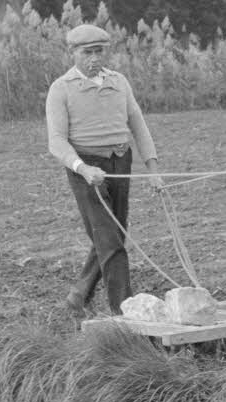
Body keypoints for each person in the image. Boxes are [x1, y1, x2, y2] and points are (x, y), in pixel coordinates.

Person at [46, 23, 164, 316]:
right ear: (73, 53)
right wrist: (83, 169)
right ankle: (125, 310)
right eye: (87, 52)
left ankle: (78, 296)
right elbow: (57, 142)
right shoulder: (61, 89)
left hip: (120, 163)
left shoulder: (119, 82)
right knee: (110, 240)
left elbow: (137, 123)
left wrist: (152, 169)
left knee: (112, 235)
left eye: (99, 51)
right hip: (86, 168)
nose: (94, 58)